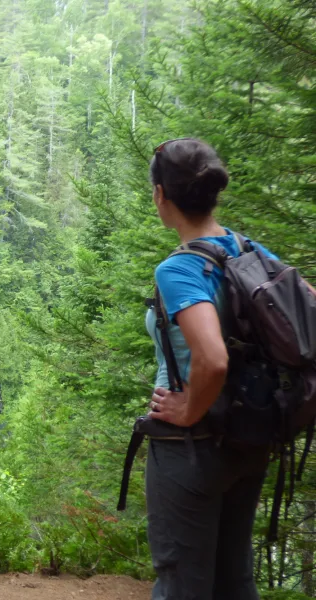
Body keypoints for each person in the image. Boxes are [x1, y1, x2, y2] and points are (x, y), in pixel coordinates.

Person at [143, 138, 272, 600]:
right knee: (234, 580)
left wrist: (188, 411)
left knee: (181, 584)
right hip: (247, 439)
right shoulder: (247, 249)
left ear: (161, 194)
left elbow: (212, 358)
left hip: (190, 448)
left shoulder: (179, 270)